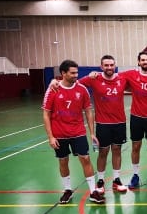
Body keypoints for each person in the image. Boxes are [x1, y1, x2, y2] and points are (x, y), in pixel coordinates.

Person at [42, 59, 105, 204]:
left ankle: (93, 191)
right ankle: (67, 190)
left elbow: (88, 111)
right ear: (63, 73)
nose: (76, 75)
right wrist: (50, 137)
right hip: (59, 134)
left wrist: (92, 133)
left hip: (78, 132)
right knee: (63, 161)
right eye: (72, 73)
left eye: (77, 72)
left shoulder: (82, 89)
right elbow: (46, 114)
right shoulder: (53, 89)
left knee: (86, 159)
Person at [78, 55, 129, 194]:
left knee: (117, 150)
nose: (109, 67)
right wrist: (54, 82)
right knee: (103, 152)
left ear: (115, 65)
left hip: (119, 122)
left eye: (111, 65)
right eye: (106, 65)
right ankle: (100, 180)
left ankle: (116, 180)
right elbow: (75, 83)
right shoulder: (94, 78)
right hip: (102, 123)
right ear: (101, 67)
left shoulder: (122, 78)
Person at [121, 51, 147, 189]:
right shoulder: (131, 75)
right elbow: (112, 77)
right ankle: (135, 175)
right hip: (136, 118)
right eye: (143, 60)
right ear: (138, 62)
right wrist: (95, 74)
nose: (145, 62)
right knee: (135, 147)